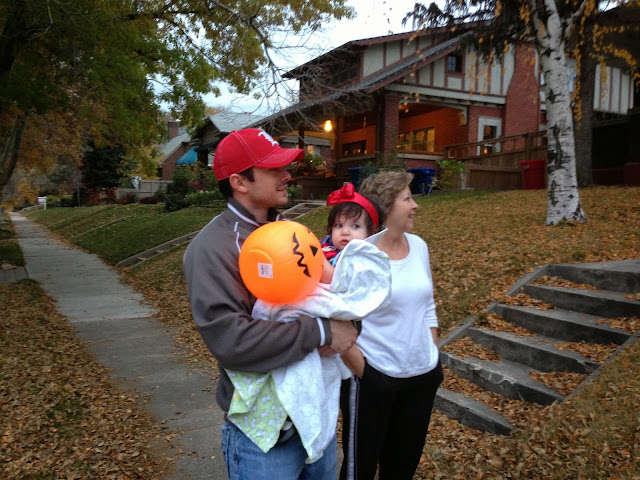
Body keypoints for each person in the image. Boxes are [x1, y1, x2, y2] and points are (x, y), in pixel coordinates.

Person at [182, 128, 359, 480]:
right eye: (273, 169)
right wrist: (321, 332)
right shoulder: (212, 249)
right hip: (263, 440)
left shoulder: (290, 232)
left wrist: (349, 322)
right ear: (239, 182)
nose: (287, 175)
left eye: (284, 166)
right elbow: (232, 341)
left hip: (316, 422)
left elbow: (331, 295)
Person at [338, 170, 444, 480]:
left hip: (421, 378)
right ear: (386, 207)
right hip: (374, 379)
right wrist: (369, 375)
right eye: (407, 199)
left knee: (401, 469)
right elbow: (336, 319)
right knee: (359, 471)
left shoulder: (419, 246)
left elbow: (427, 306)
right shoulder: (360, 255)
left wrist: (431, 352)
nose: (415, 205)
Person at [319, 183, 385, 284]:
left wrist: (317, 256)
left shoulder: (362, 259)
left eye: (355, 226)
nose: (345, 232)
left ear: (371, 232)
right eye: (339, 225)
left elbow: (335, 281)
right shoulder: (326, 245)